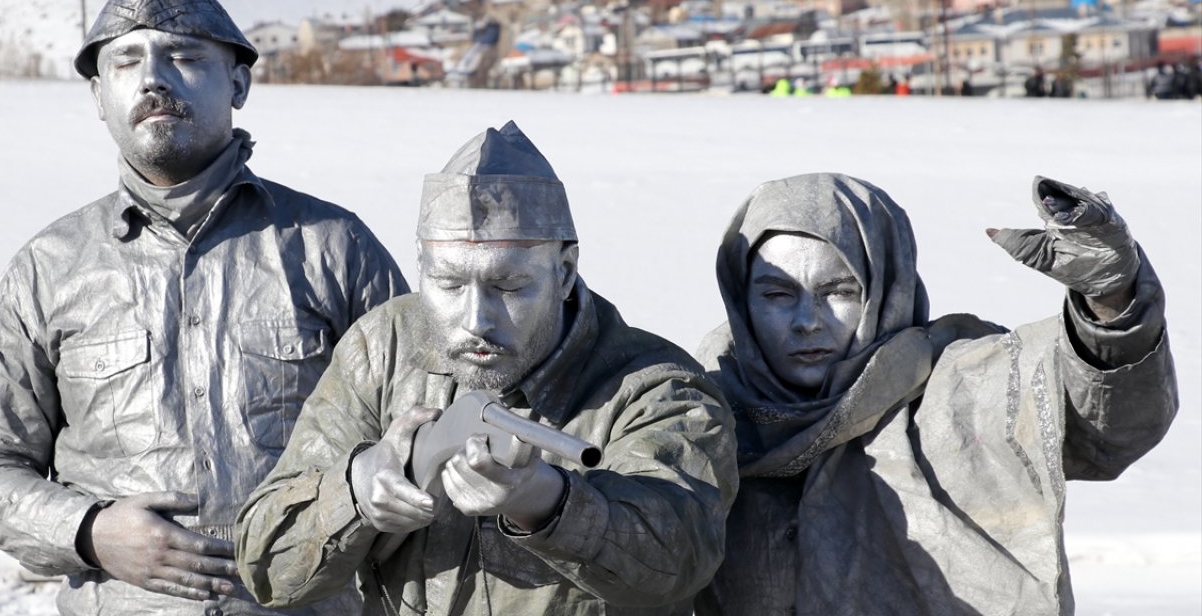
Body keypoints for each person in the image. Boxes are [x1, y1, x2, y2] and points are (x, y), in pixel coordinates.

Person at [0, 0, 407, 614]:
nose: (153, 78)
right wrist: (91, 532)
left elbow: (419, 428)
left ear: (238, 83)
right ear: (99, 96)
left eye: (184, 57)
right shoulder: (49, 268)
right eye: (125, 61)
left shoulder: (333, 246)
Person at [235, 121, 738, 615]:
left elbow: (680, 560)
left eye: (510, 287)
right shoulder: (382, 347)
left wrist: (547, 501)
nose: (476, 320)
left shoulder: (659, 388)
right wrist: (355, 493)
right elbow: (266, 568)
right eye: (449, 285)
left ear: (564, 273)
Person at [694, 173, 1176, 615]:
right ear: (741, 298)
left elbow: (1105, 431)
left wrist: (1113, 303)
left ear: (884, 288)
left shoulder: (963, 388)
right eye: (777, 295)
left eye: (838, 291)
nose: (806, 321)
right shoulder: (701, 419)